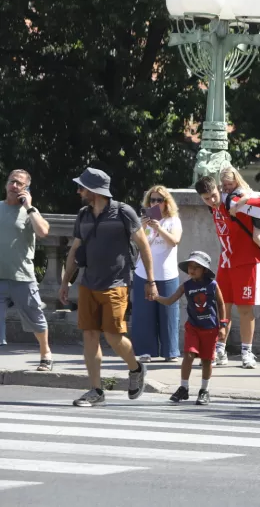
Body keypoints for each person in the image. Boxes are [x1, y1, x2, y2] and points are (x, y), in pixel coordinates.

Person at [59, 168, 155, 407]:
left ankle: (136, 368)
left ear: (94, 190)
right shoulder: (84, 215)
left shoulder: (123, 212)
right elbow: (74, 250)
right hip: (88, 283)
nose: (78, 191)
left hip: (116, 283)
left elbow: (144, 246)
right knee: (90, 335)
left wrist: (150, 281)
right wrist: (65, 281)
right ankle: (95, 391)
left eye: (82, 187)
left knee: (113, 336)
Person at [195, 175, 260, 369]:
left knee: (245, 309)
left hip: (247, 262)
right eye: (206, 198)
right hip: (225, 263)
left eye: (213, 195)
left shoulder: (233, 202)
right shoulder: (214, 208)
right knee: (222, 309)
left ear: (220, 190)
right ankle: (220, 349)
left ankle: (247, 352)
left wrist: (243, 198)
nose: (211, 200)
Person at [155, 251, 227, 406]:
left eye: (196, 267)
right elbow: (170, 300)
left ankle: (204, 390)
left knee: (207, 360)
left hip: (210, 328)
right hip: (193, 327)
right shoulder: (186, 286)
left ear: (205, 270)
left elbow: (221, 304)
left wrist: (223, 325)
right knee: (188, 355)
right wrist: (156, 297)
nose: (192, 270)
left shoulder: (212, 285)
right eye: (190, 267)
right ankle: (184, 388)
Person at [0, 169, 52, 370]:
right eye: (12, 182)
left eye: (19, 184)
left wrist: (29, 207)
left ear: (26, 189)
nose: (14, 186)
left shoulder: (30, 212)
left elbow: (43, 232)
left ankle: (45, 353)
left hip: (21, 276)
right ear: (6, 184)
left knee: (35, 317)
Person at [131, 186, 182, 363]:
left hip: (167, 274)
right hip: (143, 273)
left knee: (169, 313)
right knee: (144, 313)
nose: (155, 203)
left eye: (159, 200)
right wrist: (142, 227)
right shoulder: (143, 221)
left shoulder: (173, 220)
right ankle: (145, 350)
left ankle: (171, 351)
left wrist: (159, 228)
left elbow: (174, 241)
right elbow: (137, 244)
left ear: (166, 202)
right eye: (152, 200)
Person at [219, 167, 260, 276]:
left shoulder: (241, 190)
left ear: (236, 181)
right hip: (255, 214)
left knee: (256, 237)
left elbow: (246, 198)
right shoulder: (231, 192)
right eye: (225, 185)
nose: (227, 187)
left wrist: (236, 207)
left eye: (230, 184)